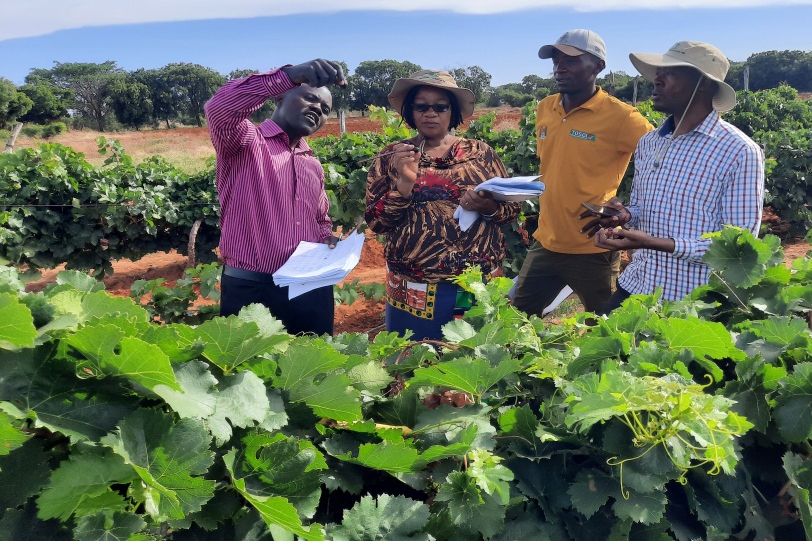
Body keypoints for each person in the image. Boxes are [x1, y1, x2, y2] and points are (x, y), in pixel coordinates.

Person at [590, 41, 765, 308]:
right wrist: (623, 215)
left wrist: (663, 244)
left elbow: (736, 247)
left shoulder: (739, 151)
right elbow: (640, 208)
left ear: (703, 84)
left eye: (669, 73)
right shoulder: (649, 142)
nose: (656, 80)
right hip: (637, 285)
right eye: (658, 73)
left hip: (691, 303)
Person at [364, 70, 520, 340]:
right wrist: (403, 184)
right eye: (421, 106)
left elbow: (511, 211)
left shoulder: (481, 154)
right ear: (410, 111)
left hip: (475, 285)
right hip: (413, 289)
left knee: (471, 364)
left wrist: (487, 207)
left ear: (453, 112)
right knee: (415, 367)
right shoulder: (393, 156)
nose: (430, 113)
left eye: (440, 106)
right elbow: (377, 222)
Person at [511, 29, 653, 316]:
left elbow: (664, 161)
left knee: (606, 331)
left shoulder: (622, 117)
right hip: (546, 242)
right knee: (516, 320)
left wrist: (629, 209)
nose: (560, 68)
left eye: (572, 61)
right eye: (557, 60)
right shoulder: (545, 107)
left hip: (594, 248)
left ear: (598, 67)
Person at [204, 58, 345, 335]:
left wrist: (326, 237)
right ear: (280, 95)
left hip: (311, 287)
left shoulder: (312, 164)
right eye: (309, 97)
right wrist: (290, 75)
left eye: (326, 109)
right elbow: (219, 108)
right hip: (252, 289)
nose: (318, 108)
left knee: (311, 369)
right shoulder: (244, 142)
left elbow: (320, 219)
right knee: (251, 373)